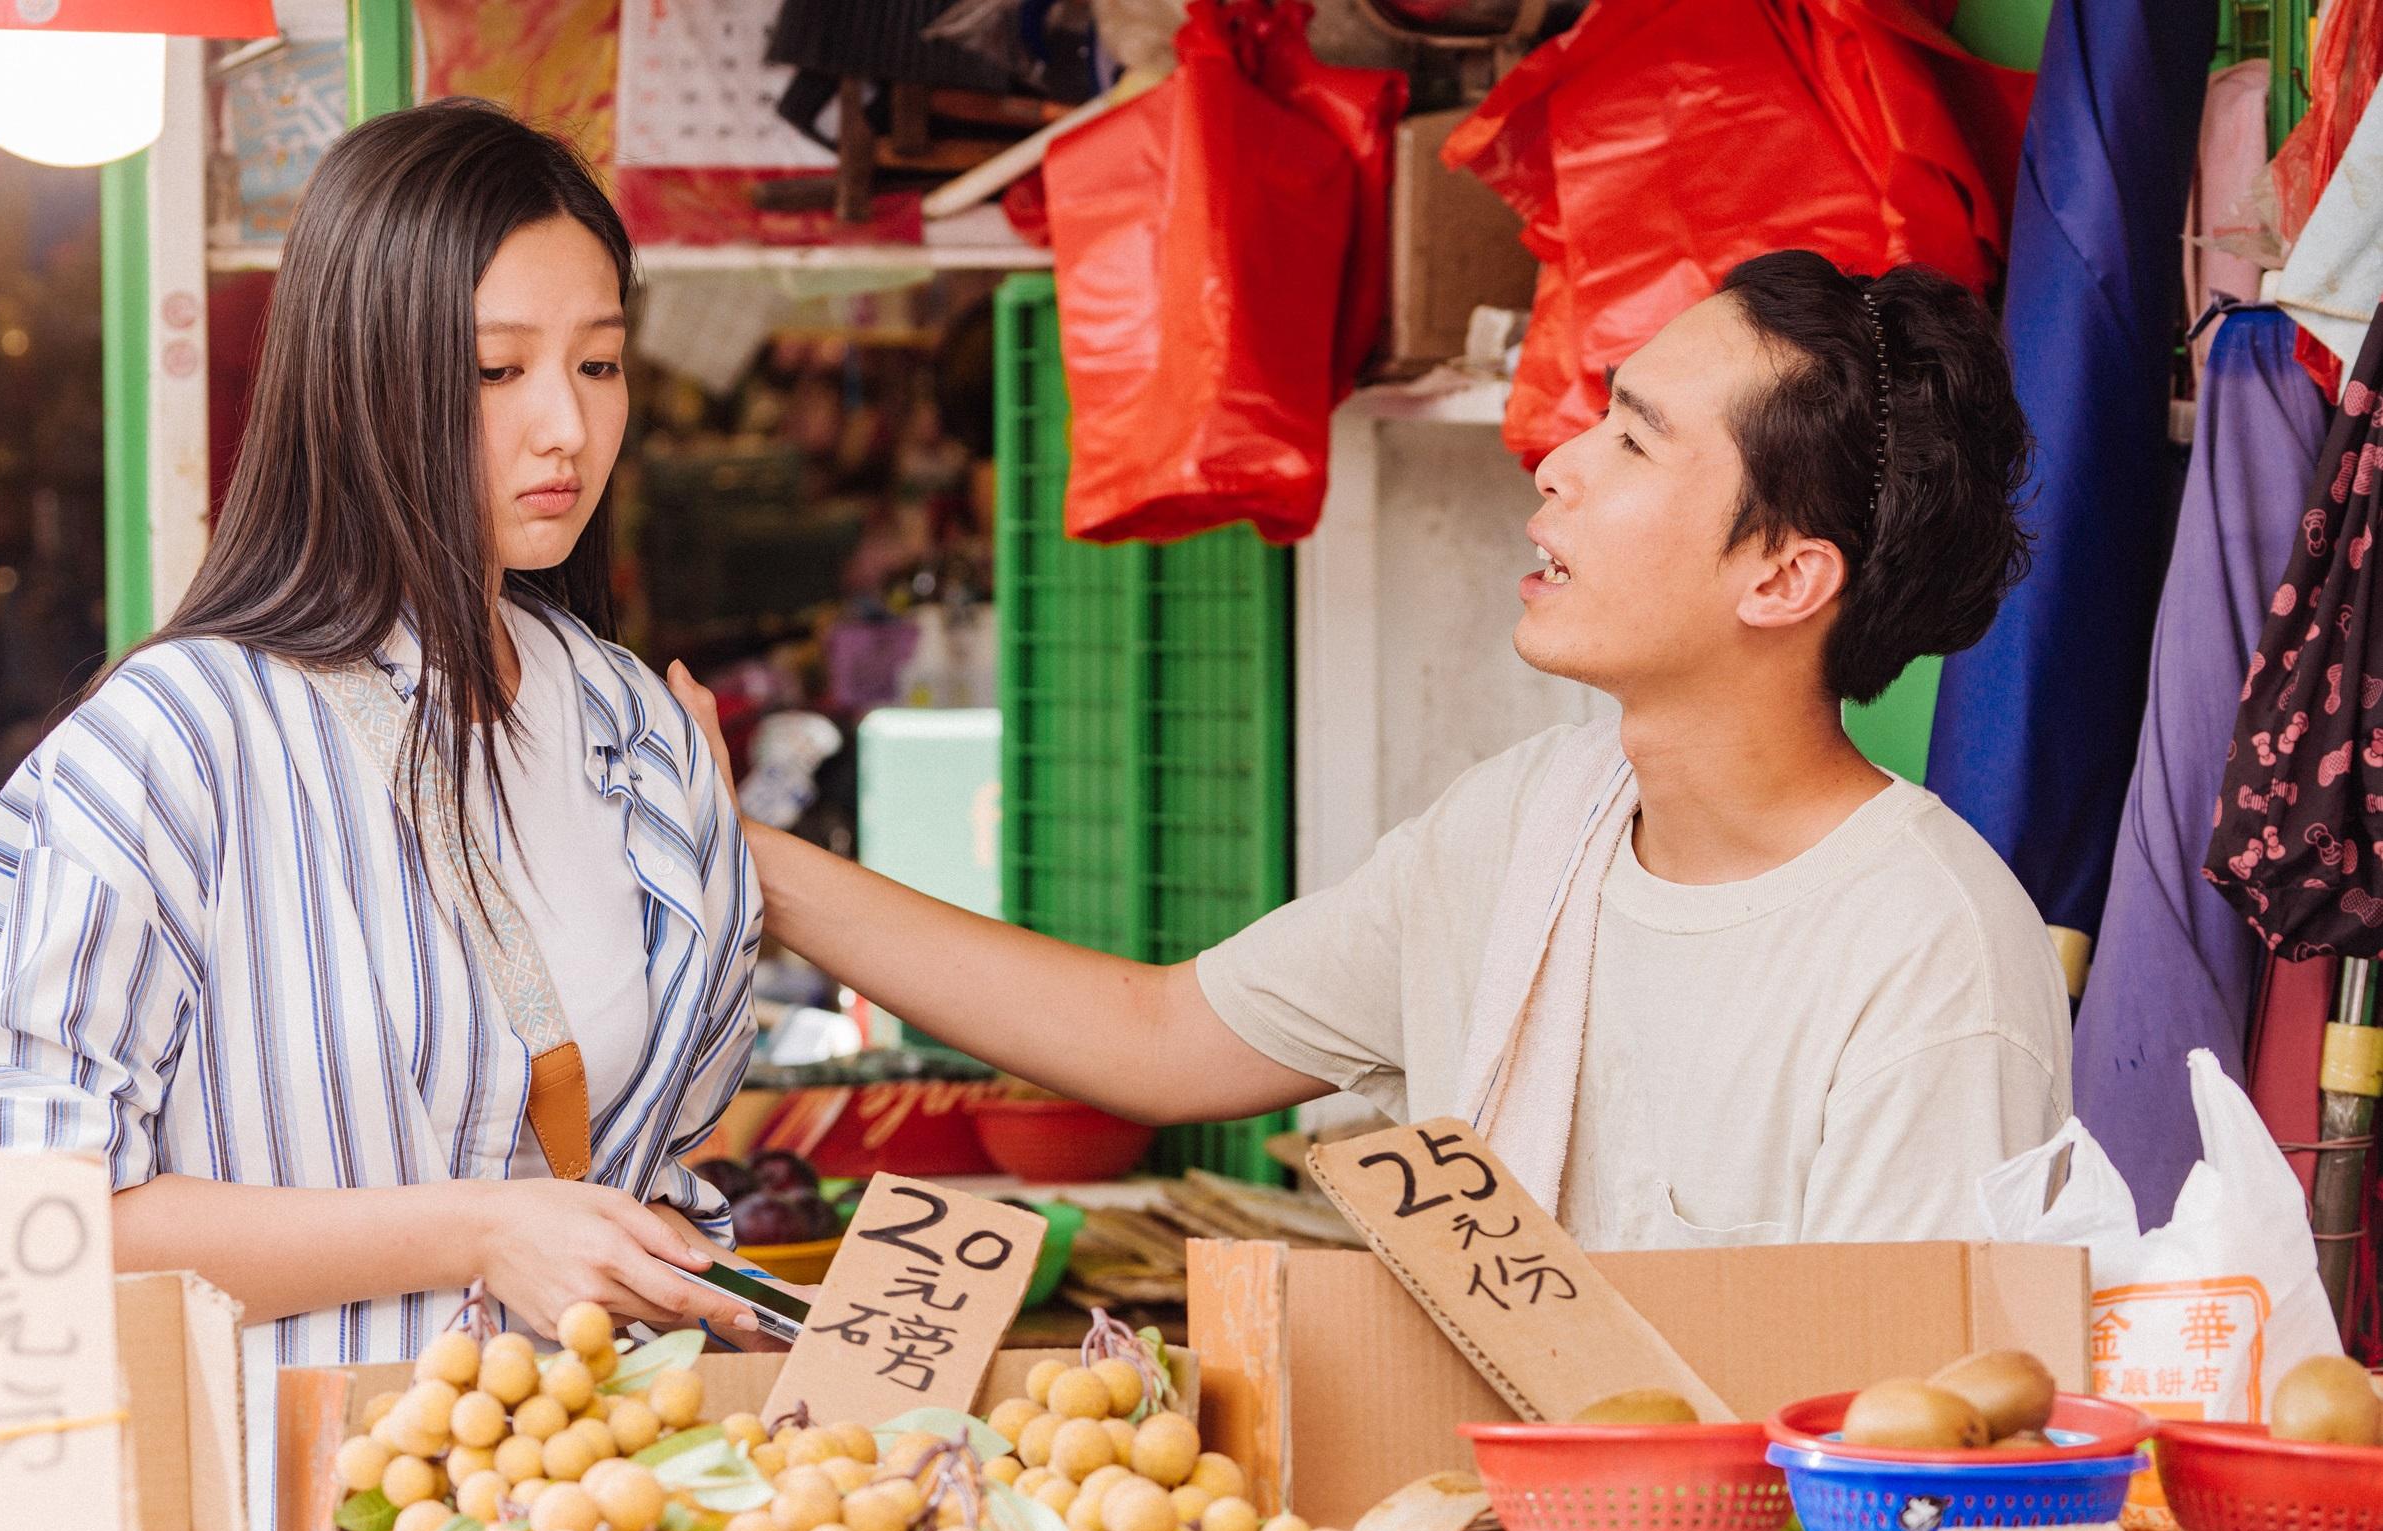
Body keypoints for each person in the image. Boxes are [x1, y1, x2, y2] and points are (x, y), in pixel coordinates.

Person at [674, 251, 2069, 1249]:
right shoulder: (1526, 822)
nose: (1557, 465)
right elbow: (1157, 1038)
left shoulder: (1924, 950)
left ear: (1780, 579)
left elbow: (1904, 1426)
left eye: (1633, 445)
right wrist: (745, 862)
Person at [0, 102, 765, 1531]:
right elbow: (16, 1223)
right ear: (362, 382)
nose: (564, 424)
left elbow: (663, 1173)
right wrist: (475, 1227)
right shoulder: (173, 747)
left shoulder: (637, 740)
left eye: (599, 361)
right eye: (496, 371)